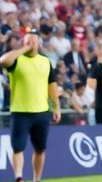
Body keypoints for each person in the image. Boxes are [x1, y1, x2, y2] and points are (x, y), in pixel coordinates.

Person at [0, 29, 61, 182]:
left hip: (41, 112)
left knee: (40, 149)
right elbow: (3, 61)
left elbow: (52, 87)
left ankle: (36, 179)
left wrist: (57, 107)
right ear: (23, 43)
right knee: (18, 148)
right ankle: (19, 177)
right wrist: (23, 49)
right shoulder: (17, 60)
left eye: (33, 41)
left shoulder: (45, 62)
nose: (31, 44)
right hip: (20, 112)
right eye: (28, 41)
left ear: (39, 43)